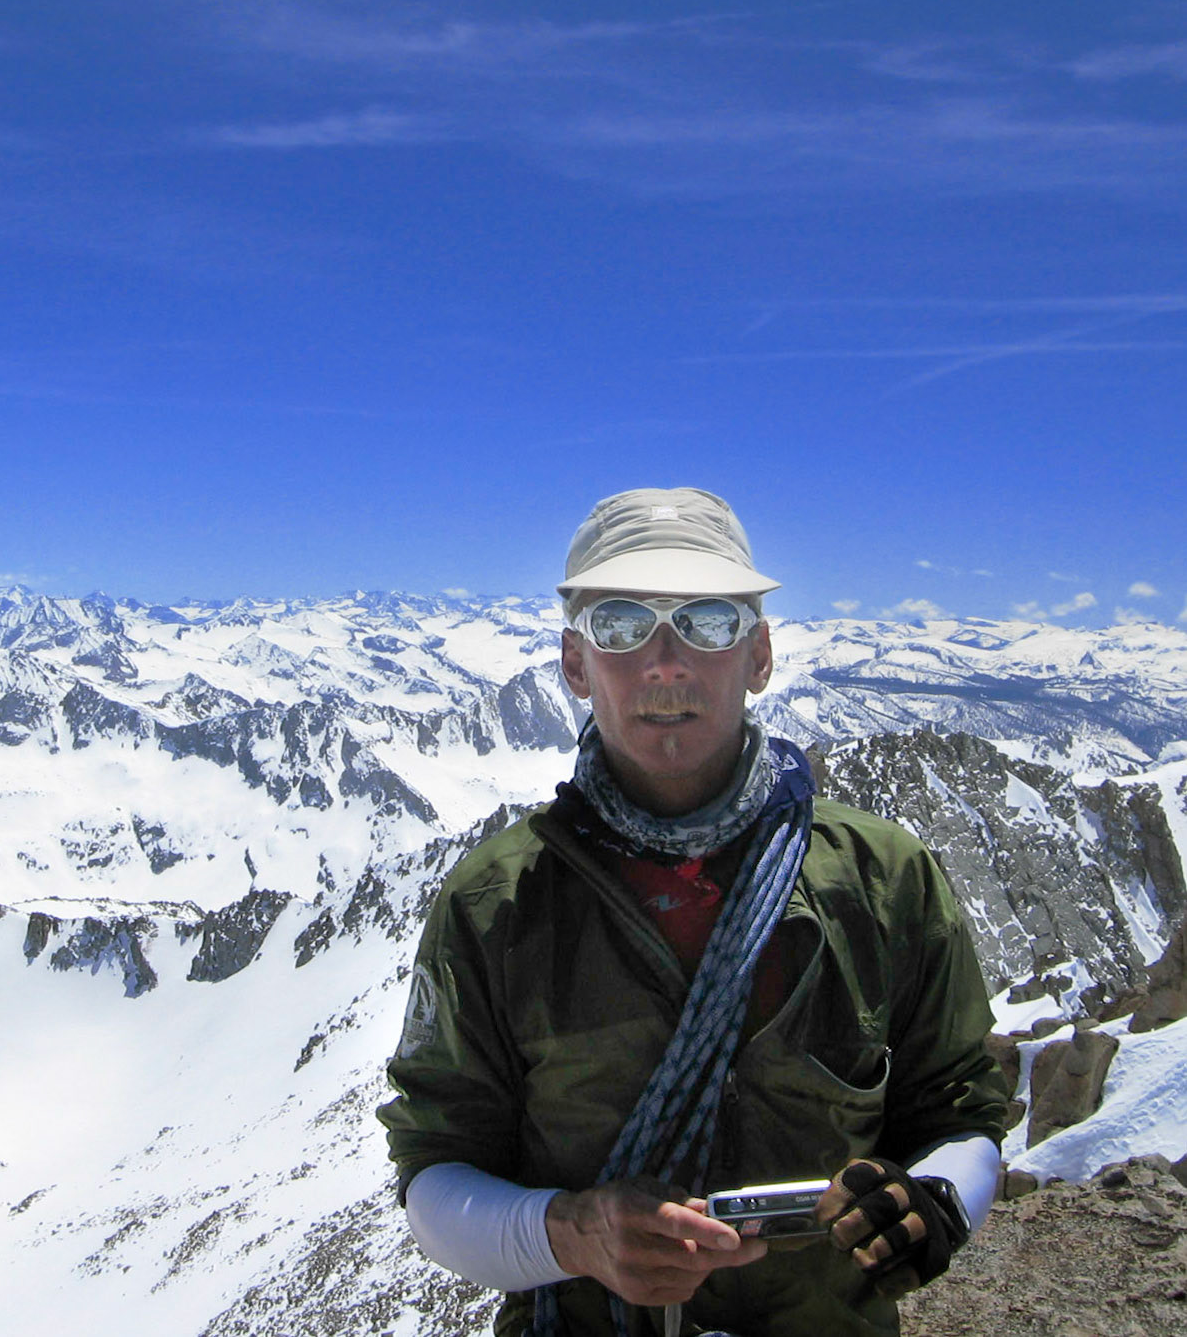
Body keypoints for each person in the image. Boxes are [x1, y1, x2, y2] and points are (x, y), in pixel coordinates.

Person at [378, 488, 1008, 1337]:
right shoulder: (497, 908)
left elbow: (960, 1111)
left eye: (708, 620)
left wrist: (933, 1202)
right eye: (621, 624)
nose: (665, 662)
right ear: (574, 663)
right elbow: (433, 1175)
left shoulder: (883, 882)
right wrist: (577, 1236)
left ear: (758, 656)